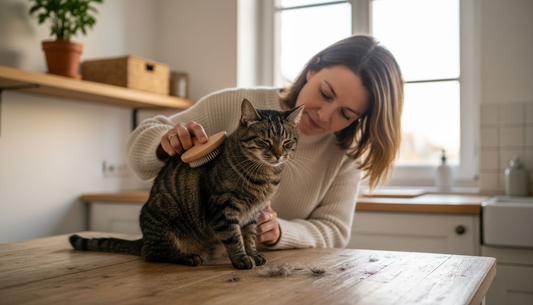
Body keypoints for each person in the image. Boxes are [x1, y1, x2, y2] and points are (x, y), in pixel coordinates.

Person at [126, 34, 404, 250]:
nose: (323, 115)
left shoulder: (346, 154)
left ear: (360, 118)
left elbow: (334, 231)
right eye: (325, 93)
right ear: (312, 69)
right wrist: (166, 144)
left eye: (346, 113)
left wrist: (281, 232)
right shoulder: (236, 103)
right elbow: (138, 157)